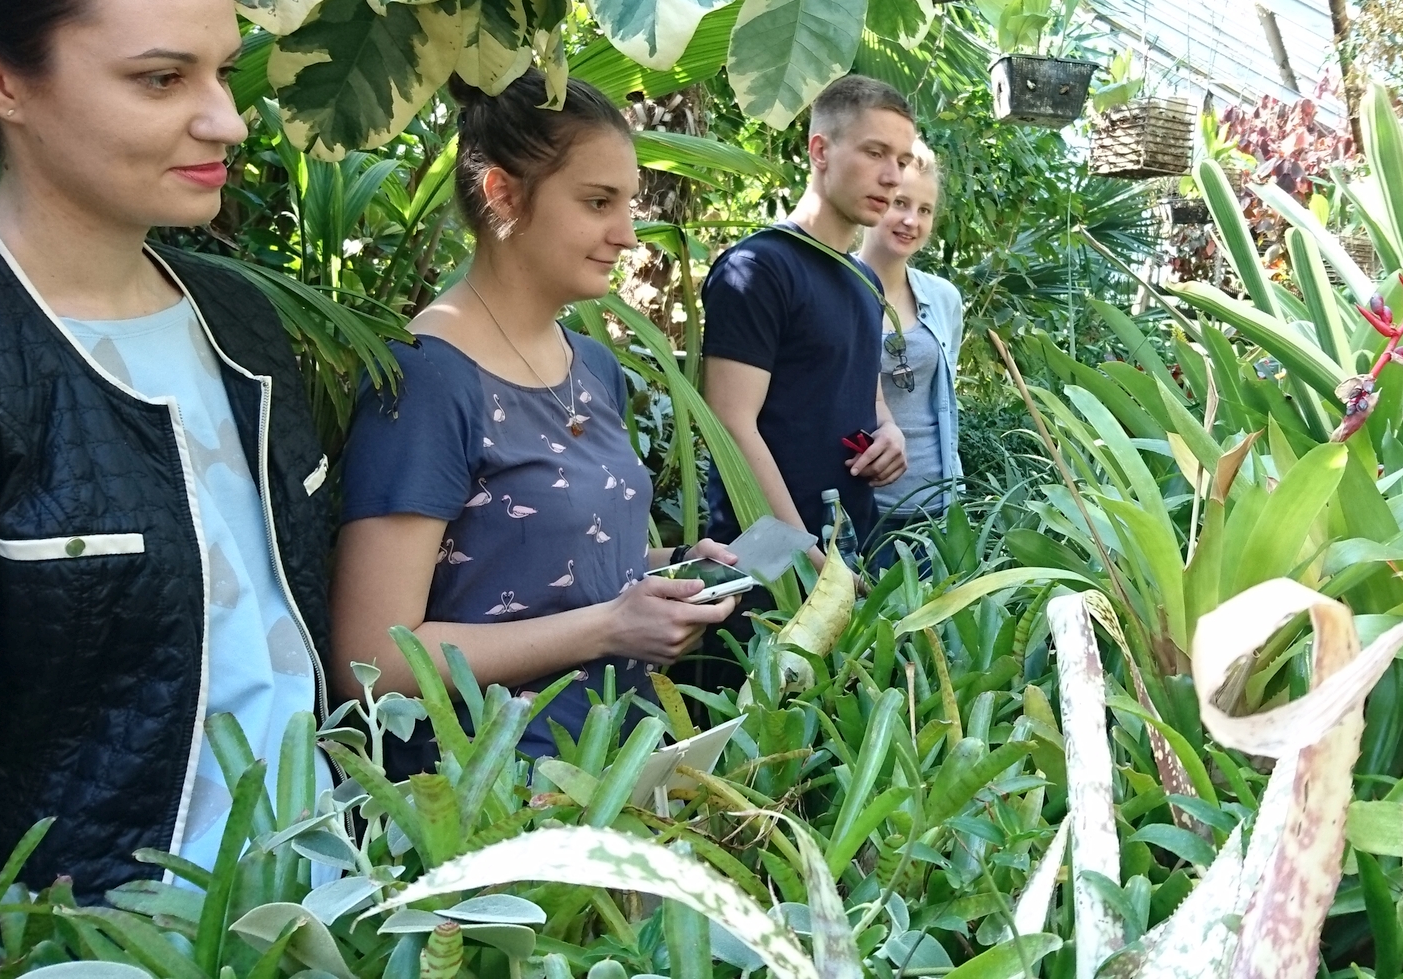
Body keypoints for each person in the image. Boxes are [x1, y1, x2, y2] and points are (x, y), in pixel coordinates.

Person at [0, 0, 333, 904]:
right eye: (162, 79)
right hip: (99, 946)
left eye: (223, 72)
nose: (227, 120)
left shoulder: (240, 323)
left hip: (320, 913)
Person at [332, 73, 739, 764]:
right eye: (597, 202)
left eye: (628, 203)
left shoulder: (594, 366)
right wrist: (610, 627)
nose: (627, 234)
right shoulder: (428, 380)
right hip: (486, 791)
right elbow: (372, 662)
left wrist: (673, 570)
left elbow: (542, 567)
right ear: (503, 194)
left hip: (616, 765)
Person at [693, 76, 913, 682]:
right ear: (820, 150)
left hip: (846, 553)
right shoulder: (758, 268)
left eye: (901, 160)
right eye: (875, 152)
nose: (892, 177)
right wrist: (805, 555)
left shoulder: (865, 281)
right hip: (763, 560)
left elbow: (865, 390)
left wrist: (890, 432)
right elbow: (730, 422)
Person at [854, 142, 964, 575]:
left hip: (937, 507)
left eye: (924, 210)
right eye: (900, 203)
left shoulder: (944, 298)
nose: (911, 221)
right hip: (861, 509)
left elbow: (944, 399)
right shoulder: (833, 290)